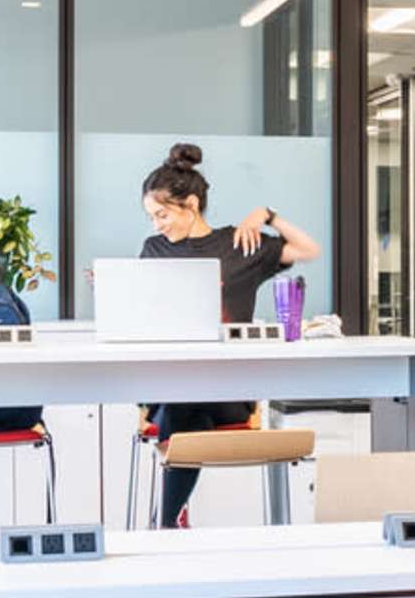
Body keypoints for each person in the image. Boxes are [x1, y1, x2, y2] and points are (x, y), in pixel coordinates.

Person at [137, 142, 321, 526]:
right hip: (174, 382)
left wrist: (267, 215)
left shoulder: (240, 244)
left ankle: (164, 522)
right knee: (187, 408)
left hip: (229, 384)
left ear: (190, 204)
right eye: (152, 217)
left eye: (162, 214)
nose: (157, 225)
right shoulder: (154, 249)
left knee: (188, 410)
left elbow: (309, 249)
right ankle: (167, 522)